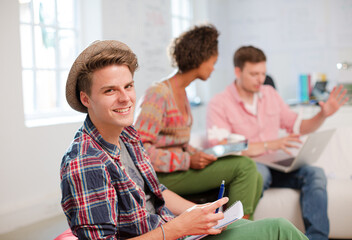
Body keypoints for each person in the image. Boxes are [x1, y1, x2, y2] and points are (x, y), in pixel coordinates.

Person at [60, 40, 309, 239]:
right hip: (174, 232)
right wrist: (180, 227)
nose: (126, 98)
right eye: (110, 90)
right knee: (279, 230)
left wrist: (199, 213)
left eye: (128, 86)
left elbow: (157, 192)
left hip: (176, 230)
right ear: (86, 99)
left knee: (279, 226)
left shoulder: (127, 135)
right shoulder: (87, 162)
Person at [206, 45, 349, 240]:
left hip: (277, 164)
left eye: (263, 73)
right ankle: (242, 231)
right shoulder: (220, 103)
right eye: (254, 74)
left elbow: (299, 125)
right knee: (260, 174)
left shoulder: (270, 94)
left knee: (315, 173)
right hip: (251, 165)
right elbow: (220, 147)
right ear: (237, 71)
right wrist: (268, 145)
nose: (260, 79)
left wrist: (322, 115)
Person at [134, 24, 261, 220]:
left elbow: (178, 144)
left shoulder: (183, 93)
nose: (213, 67)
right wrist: (187, 160)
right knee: (245, 167)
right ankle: (239, 233)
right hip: (162, 177)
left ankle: (236, 227)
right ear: (200, 58)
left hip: (179, 170)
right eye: (213, 62)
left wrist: (199, 154)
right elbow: (139, 150)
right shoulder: (158, 93)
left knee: (256, 176)